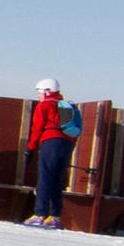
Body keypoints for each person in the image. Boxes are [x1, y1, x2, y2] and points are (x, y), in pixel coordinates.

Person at [24, 77, 74, 228]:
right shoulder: (67, 106)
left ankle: (39, 214)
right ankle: (55, 216)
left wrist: (31, 147)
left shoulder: (44, 106)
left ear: (47, 91)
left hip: (50, 142)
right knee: (58, 180)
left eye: (39, 92)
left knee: (45, 177)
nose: (39, 96)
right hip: (66, 144)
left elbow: (37, 128)